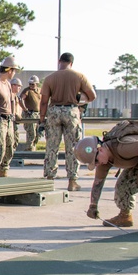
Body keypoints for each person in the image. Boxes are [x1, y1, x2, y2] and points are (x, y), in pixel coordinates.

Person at [76, 126, 138, 233]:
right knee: (123, 185)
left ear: (100, 150)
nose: (97, 164)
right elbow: (98, 183)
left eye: (96, 161)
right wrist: (93, 206)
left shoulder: (122, 148)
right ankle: (125, 216)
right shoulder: (103, 162)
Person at [39, 52, 97, 191]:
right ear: (72, 63)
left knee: (52, 147)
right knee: (73, 148)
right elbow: (92, 96)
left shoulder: (50, 78)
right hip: (71, 112)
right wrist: (80, 99)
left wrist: (42, 120)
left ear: (60, 61)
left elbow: (44, 102)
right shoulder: (79, 76)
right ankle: (72, 181)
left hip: (54, 112)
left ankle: (49, 180)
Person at [20, 75, 43, 150]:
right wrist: (25, 110)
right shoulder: (27, 91)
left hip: (38, 114)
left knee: (38, 133)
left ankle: (33, 148)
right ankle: (29, 149)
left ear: (36, 84)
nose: (31, 86)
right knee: (31, 133)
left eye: (32, 84)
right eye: (29, 84)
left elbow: (43, 101)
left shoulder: (39, 90)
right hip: (30, 114)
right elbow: (21, 99)